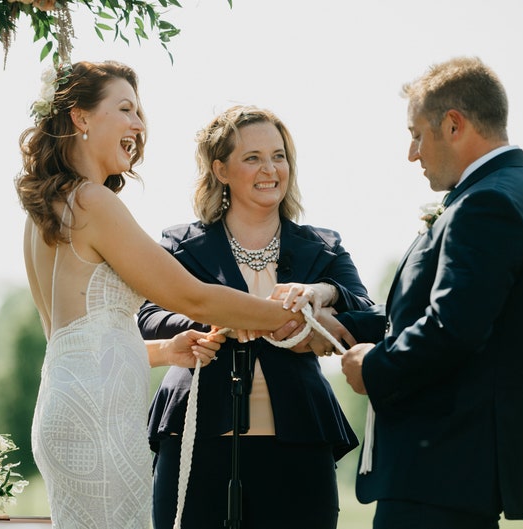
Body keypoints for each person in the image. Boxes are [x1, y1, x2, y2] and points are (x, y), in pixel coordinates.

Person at [15, 62, 306, 529]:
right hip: (98, 420)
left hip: (66, 408)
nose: (138, 124)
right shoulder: (93, 201)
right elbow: (191, 297)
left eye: (139, 111)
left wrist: (165, 350)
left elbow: (76, 339)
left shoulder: (46, 210)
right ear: (81, 117)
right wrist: (288, 316)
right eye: (125, 109)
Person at [337, 57, 523, 529]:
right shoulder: (505, 190)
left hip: (442, 469)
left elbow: (453, 328)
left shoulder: (487, 203)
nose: (412, 153)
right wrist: (341, 321)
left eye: (417, 133)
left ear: (454, 125)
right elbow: (428, 311)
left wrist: (374, 367)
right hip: (450, 474)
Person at [137, 105, 374, 529]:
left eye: (278, 156)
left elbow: (369, 314)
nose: (271, 169)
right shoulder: (181, 244)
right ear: (220, 170)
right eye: (253, 158)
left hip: (300, 441)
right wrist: (207, 323)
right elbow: (148, 314)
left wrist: (325, 292)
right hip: (195, 438)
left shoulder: (323, 246)